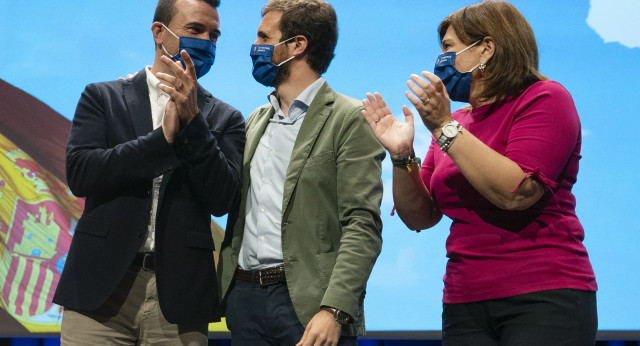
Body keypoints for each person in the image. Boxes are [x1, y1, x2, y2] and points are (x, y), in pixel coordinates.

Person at [361, 1, 597, 345]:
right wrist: (401, 155)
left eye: (448, 48)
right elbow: (421, 217)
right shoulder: (457, 123)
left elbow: (515, 193)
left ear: (486, 48)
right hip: (464, 300)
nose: (440, 60)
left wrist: (442, 126)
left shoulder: (545, 99)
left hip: (543, 294)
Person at [53, 0, 245, 344]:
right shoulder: (104, 97)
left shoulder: (225, 118)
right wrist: (163, 140)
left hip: (179, 295)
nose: (207, 42)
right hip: (100, 288)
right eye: (196, 30)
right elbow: (80, 174)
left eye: (214, 35)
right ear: (160, 32)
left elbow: (223, 199)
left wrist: (194, 124)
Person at [217, 0, 385, 345]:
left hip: (306, 305)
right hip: (246, 300)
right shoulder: (254, 121)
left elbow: (362, 223)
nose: (255, 47)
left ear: (297, 45)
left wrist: (335, 309)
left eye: (265, 38)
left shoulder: (348, 118)